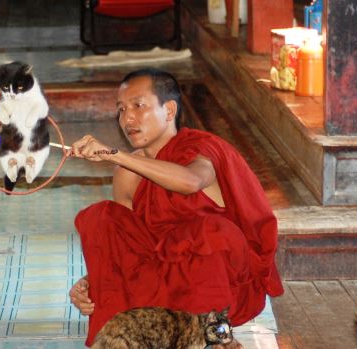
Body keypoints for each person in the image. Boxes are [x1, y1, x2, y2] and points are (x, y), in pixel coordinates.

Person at [68, 68, 283, 347]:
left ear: (169, 110)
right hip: (160, 287)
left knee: (212, 231)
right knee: (102, 217)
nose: (127, 118)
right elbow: (129, 247)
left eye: (138, 106)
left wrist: (113, 154)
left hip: (213, 288)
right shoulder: (128, 172)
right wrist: (90, 281)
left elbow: (191, 181)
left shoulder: (203, 150)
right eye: (121, 109)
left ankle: (216, 336)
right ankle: (126, 335)